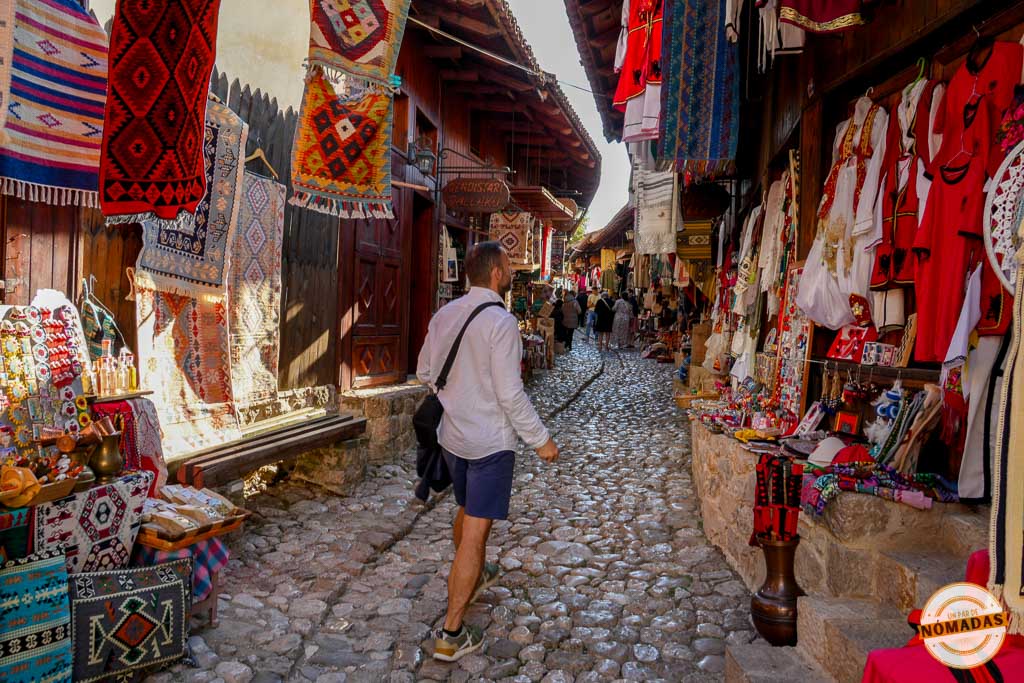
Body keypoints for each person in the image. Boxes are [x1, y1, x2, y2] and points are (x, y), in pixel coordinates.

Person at [416, 242, 560, 662]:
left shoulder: (444, 315)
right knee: (476, 532)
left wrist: (458, 396)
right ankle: (451, 632)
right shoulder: (501, 322)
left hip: (453, 439)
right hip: (489, 444)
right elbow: (510, 394)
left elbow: (426, 371)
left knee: (467, 510)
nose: (513, 269)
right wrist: (541, 440)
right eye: (510, 264)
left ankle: (473, 574)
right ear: (496, 273)